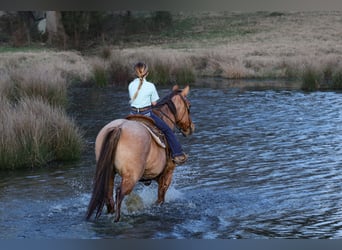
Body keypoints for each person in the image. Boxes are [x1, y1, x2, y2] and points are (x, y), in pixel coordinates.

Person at [128, 62, 188, 164]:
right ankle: (177, 154)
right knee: (168, 130)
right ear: (147, 73)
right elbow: (154, 103)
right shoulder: (150, 86)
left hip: (132, 115)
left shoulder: (131, 85)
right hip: (146, 114)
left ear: (135, 73)